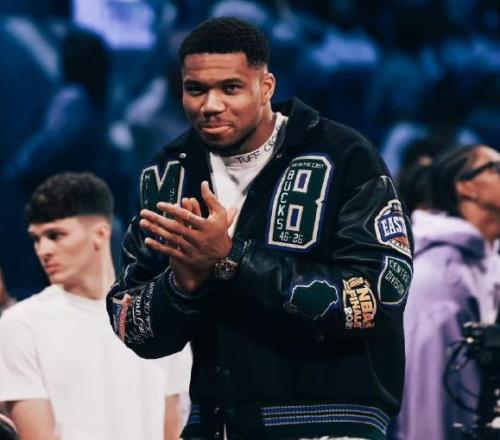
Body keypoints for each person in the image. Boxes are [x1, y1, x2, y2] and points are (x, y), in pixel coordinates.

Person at [107, 17, 413, 440]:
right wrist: (182, 286)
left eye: (230, 88)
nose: (210, 105)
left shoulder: (346, 155)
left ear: (266, 87)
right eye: (196, 90)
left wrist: (231, 258)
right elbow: (131, 324)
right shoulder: (168, 173)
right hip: (215, 425)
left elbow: (375, 300)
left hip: (331, 422)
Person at [0, 172, 191, 440]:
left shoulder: (155, 314)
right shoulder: (20, 326)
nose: (43, 250)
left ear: (100, 234)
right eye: (36, 238)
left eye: (55, 235)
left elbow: (172, 428)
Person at [393, 145, 500, 440]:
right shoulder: (443, 275)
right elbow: (429, 403)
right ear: (466, 187)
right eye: (496, 168)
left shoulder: (485, 262)